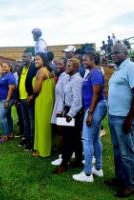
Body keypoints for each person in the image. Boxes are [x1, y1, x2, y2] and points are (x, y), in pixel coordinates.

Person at [104, 43, 134, 198]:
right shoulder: (118, 69)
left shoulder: (132, 68)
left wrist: (129, 118)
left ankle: (130, 185)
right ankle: (120, 178)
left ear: (126, 53)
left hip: (124, 117)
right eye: (112, 53)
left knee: (126, 152)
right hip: (114, 115)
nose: (113, 55)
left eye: (117, 53)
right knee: (117, 150)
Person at [72, 51, 107, 182]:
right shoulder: (92, 72)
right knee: (96, 139)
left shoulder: (96, 72)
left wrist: (90, 113)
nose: (83, 62)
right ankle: (98, 168)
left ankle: (87, 174)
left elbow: (96, 94)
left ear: (93, 59)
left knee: (87, 140)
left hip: (95, 108)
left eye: (85, 60)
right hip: (95, 107)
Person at [52, 58, 84, 173]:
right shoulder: (69, 78)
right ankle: (78, 160)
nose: (66, 67)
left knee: (68, 139)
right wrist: (62, 110)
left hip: (73, 112)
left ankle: (64, 164)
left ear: (75, 68)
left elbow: (78, 101)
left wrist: (70, 115)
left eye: (69, 66)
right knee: (75, 138)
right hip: (68, 109)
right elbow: (65, 97)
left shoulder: (77, 80)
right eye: (67, 65)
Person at [27, 52, 55, 157]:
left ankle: (43, 151)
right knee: (47, 125)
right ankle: (45, 147)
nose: (36, 61)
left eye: (38, 59)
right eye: (35, 59)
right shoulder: (50, 70)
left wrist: (31, 97)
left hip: (42, 100)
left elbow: (37, 89)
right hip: (49, 99)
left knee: (41, 126)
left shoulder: (41, 71)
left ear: (43, 60)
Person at [15, 52, 37, 151]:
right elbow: (19, 83)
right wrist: (17, 97)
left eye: (25, 57)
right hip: (21, 98)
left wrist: (31, 96)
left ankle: (32, 141)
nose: (23, 58)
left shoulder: (33, 68)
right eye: (22, 56)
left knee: (32, 121)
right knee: (25, 121)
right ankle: (26, 138)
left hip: (29, 99)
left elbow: (35, 83)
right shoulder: (22, 68)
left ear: (31, 58)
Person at [50, 57, 70, 166]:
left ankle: (63, 156)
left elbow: (65, 94)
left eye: (61, 63)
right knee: (60, 132)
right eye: (57, 63)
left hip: (62, 107)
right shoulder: (61, 75)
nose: (58, 65)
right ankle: (62, 153)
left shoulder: (66, 76)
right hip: (58, 105)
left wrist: (60, 110)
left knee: (63, 132)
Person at [0, 58, 16, 143]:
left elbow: (11, 89)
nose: (3, 68)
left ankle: (5, 135)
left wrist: (7, 101)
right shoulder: (4, 74)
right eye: (3, 67)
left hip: (6, 100)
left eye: (5, 67)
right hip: (3, 99)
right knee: (8, 116)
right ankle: (10, 133)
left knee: (2, 116)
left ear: (9, 68)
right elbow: (0, 69)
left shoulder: (10, 77)